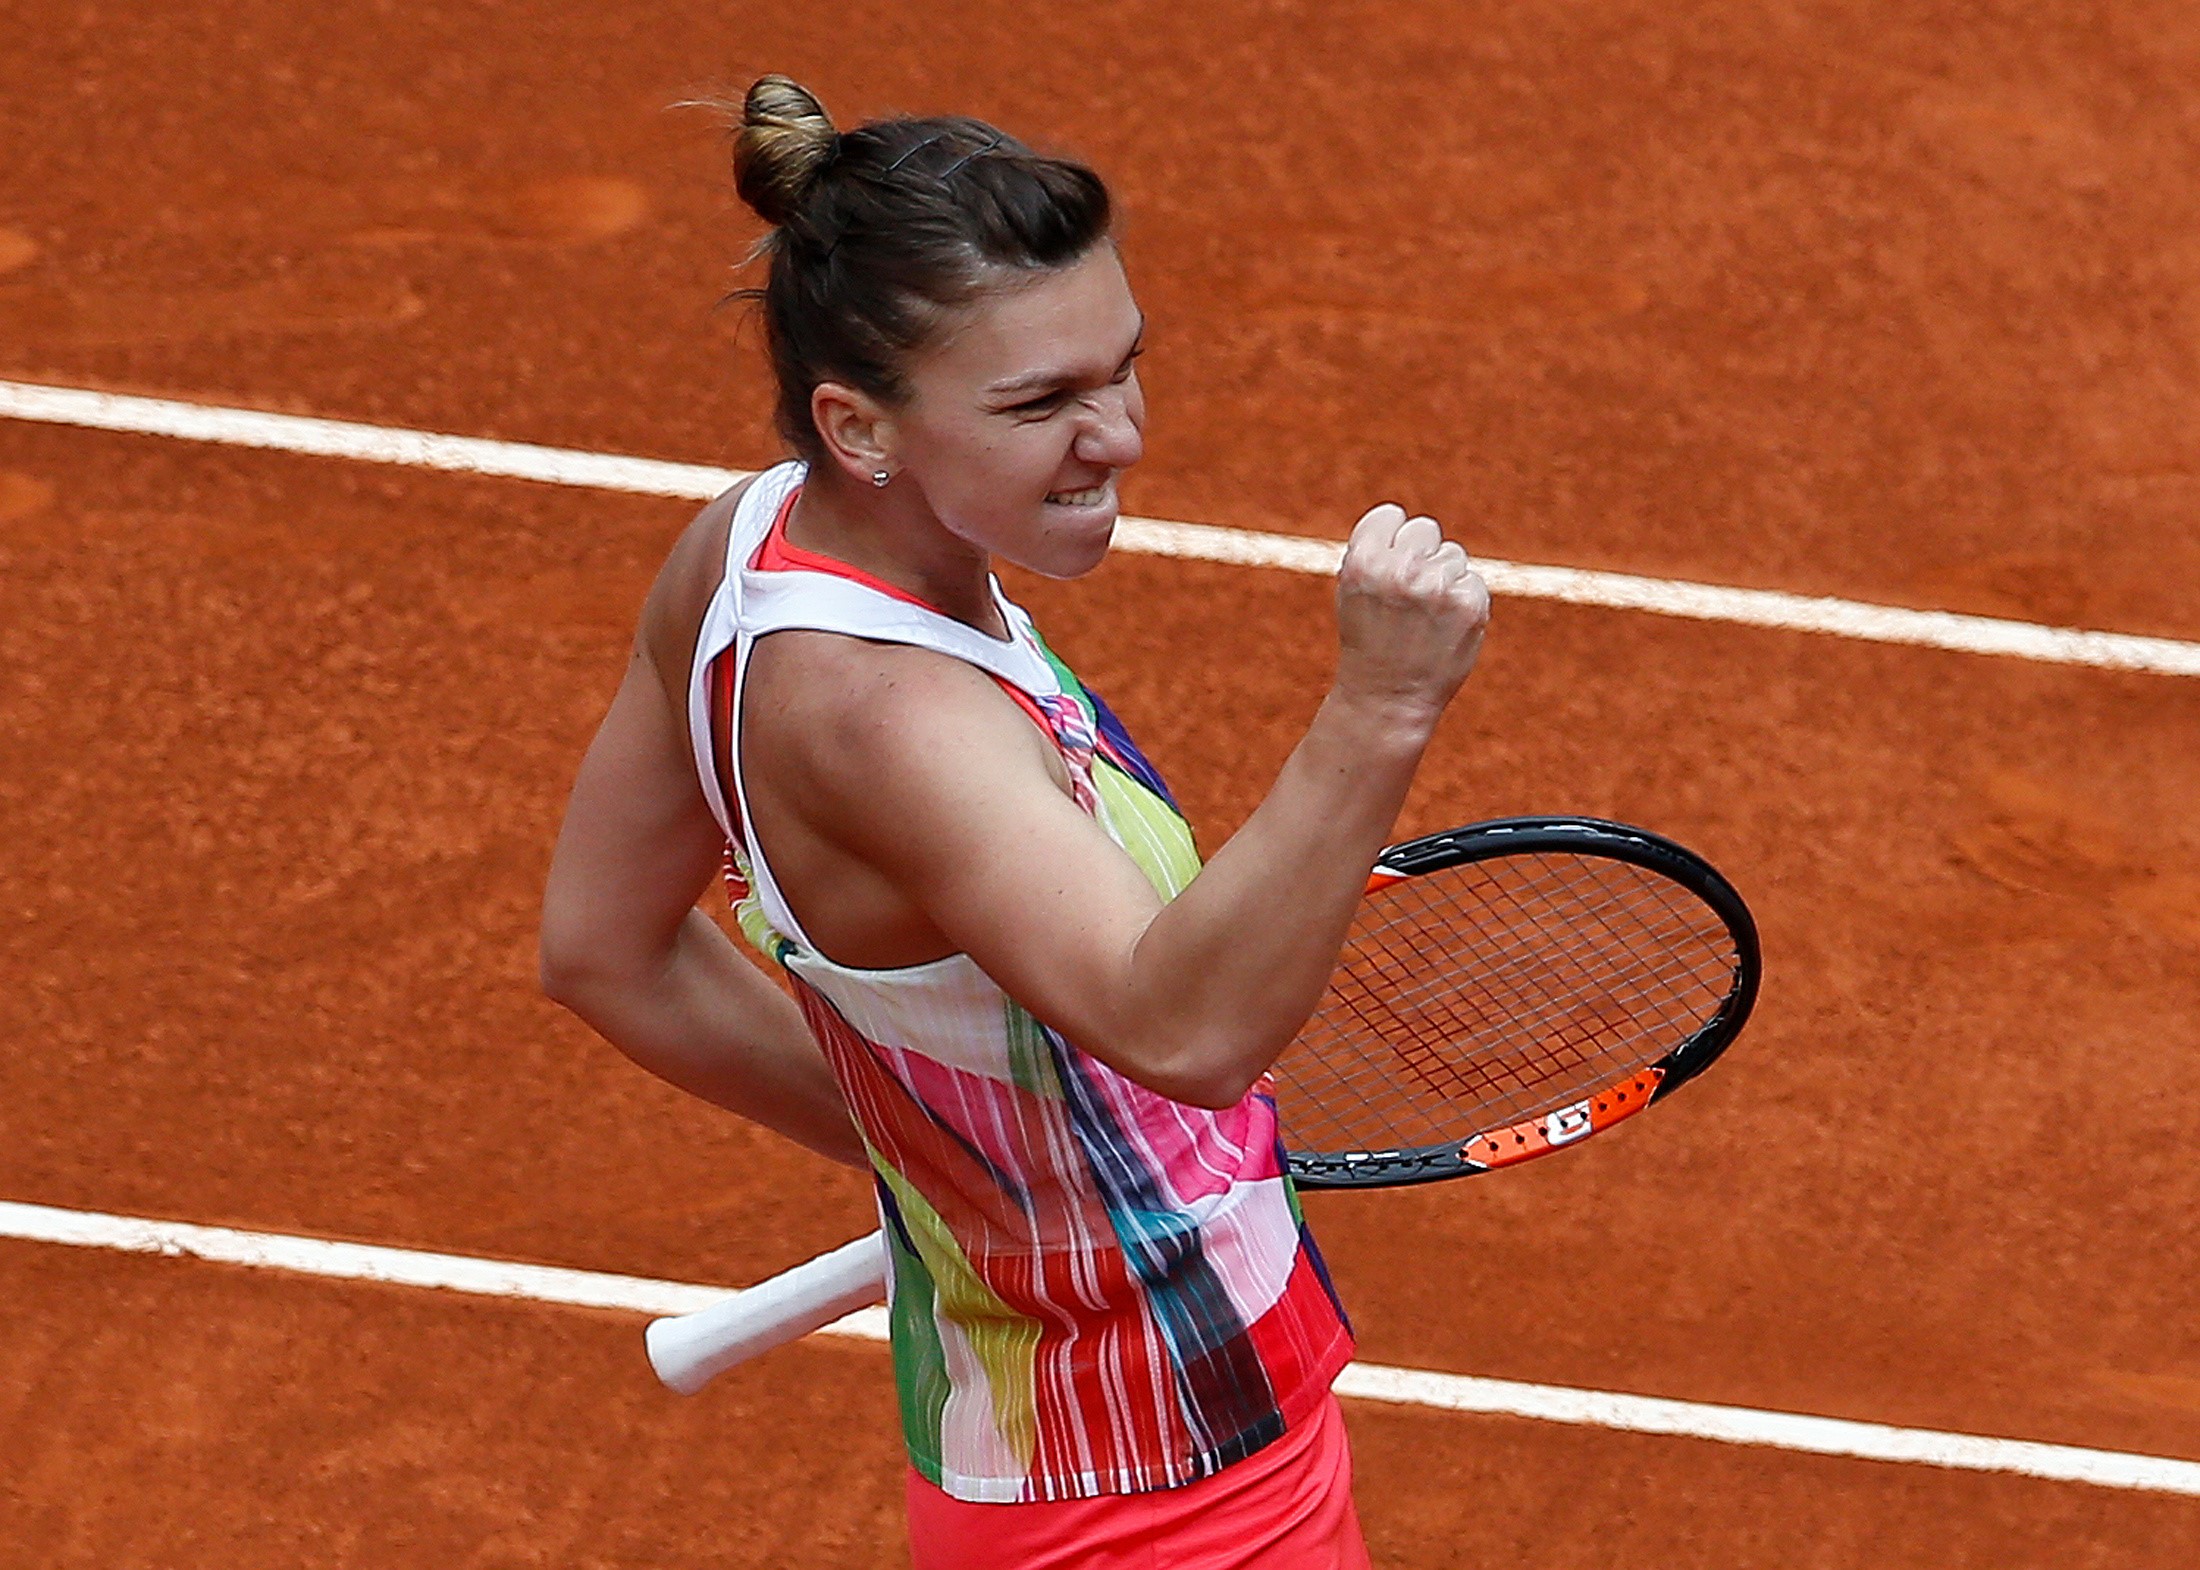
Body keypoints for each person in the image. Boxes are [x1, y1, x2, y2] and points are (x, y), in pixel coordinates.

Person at [539, 75, 1489, 1569]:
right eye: (1041, 404)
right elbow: (1184, 1029)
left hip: (1041, 1441)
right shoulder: (897, 721)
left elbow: (603, 947)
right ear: (859, 426)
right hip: (1173, 1489)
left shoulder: (737, 549)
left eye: (1121, 368)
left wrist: (955, 1157)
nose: (1117, 435)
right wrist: (1379, 710)